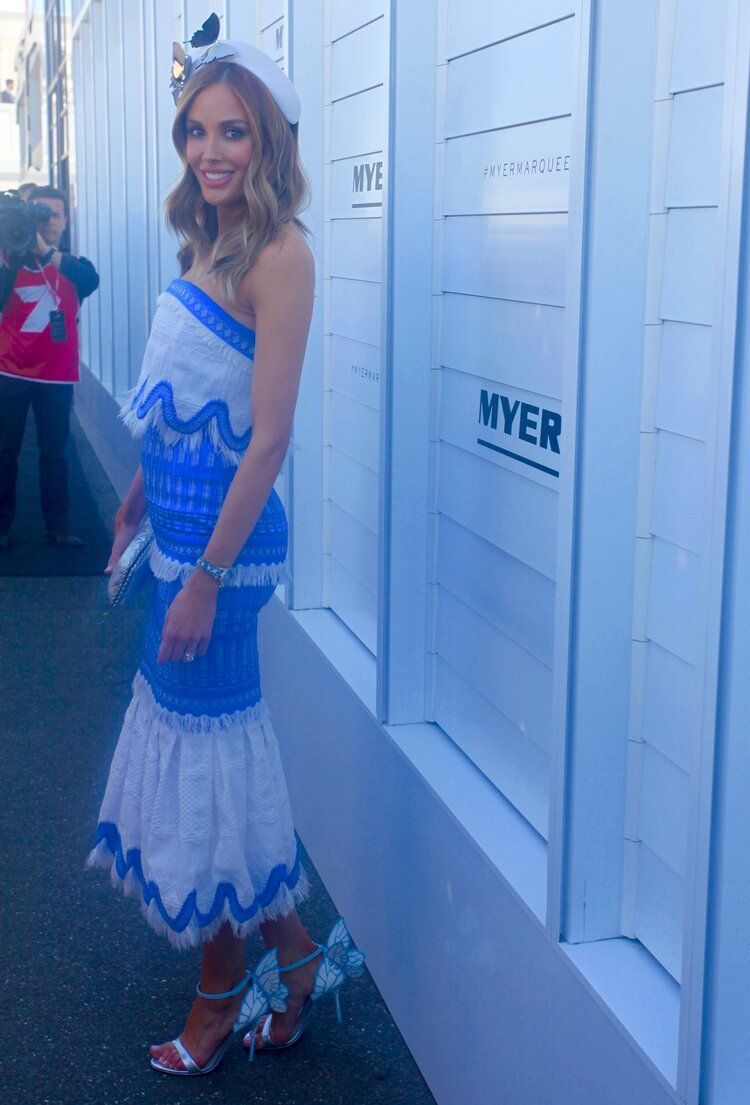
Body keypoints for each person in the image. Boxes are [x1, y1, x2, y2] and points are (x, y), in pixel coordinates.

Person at [85, 38, 365, 1077]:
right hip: (181, 538)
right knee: (210, 764)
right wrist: (136, 497)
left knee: (206, 768)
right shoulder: (199, 240)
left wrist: (202, 576)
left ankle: (215, 1001)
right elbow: (181, 406)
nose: (210, 150)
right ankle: (294, 963)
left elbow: (270, 437)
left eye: (232, 130)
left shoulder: (283, 253)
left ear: (270, 141)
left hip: (227, 562)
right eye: (197, 129)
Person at [0, 186, 100, 550]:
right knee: (4, 451)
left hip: (55, 377)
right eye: (41, 217)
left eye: (55, 215)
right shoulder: (10, 263)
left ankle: (58, 527)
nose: (48, 222)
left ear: (66, 220)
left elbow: (90, 281)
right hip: (9, 372)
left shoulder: (75, 267)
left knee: (55, 452)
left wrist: (46, 252)